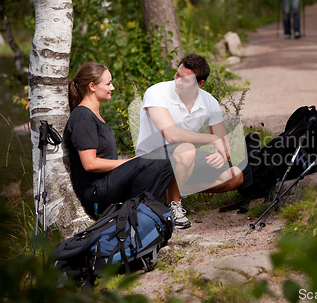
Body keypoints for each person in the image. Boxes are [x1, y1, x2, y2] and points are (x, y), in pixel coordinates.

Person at [136, 54, 244, 229]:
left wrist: (221, 154)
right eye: (177, 75)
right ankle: (173, 206)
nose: (178, 81)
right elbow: (171, 134)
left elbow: (224, 145)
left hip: (183, 161)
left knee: (235, 176)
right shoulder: (157, 92)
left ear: (199, 83)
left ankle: (172, 192)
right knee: (186, 148)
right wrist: (212, 139)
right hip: (151, 162)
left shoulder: (209, 102)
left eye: (185, 80)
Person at [64, 62, 174, 218]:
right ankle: (136, 214)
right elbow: (90, 164)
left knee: (168, 154)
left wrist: (135, 162)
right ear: (92, 86)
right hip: (97, 194)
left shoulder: (93, 116)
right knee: (153, 158)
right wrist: (132, 162)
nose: (112, 88)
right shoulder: (83, 118)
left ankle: (146, 210)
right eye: (108, 83)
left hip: (108, 184)